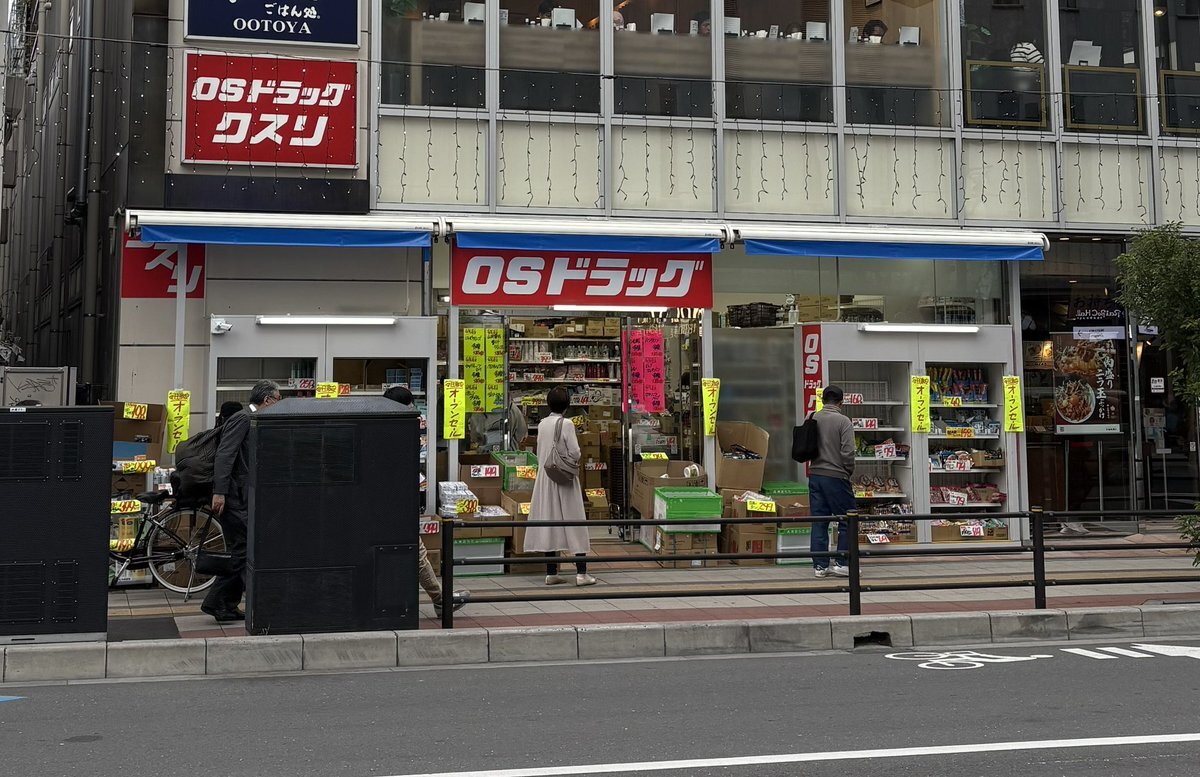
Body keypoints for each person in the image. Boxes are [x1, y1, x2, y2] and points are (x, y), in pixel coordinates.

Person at [382, 385, 470, 616]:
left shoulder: (384, 430)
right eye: (411, 405)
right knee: (415, 552)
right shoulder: (399, 433)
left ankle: (435, 599)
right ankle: (439, 600)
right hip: (396, 505)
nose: (415, 411)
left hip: (387, 504)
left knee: (409, 552)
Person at [204, 380, 280, 623]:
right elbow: (225, 454)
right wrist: (219, 492)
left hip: (241, 497)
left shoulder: (252, 419)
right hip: (234, 499)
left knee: (243, 550)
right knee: (244, 549)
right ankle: (220, 601)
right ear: (267, 400)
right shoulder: (243, 418)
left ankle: (224, 604)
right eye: (277, 399)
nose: (278, 404)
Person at [524, 386, 596, 586]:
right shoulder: (567, 424)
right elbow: (575, 452)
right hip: (564, 478)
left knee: (550, 522)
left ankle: (551, 572)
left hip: (545, 479)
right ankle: (581, 573)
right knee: (575, 522)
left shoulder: (542, 424)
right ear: (567, 405)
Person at [808, 385, 855, 578]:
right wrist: (848, 470)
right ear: (841, 402)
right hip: (836, 476)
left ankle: (820, 566)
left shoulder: (812, 417)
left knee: (819, 521)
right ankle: (843, 562)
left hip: (815, 475)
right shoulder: (843, 421)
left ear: (822, 400)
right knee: (848, 520)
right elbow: (848, 452)